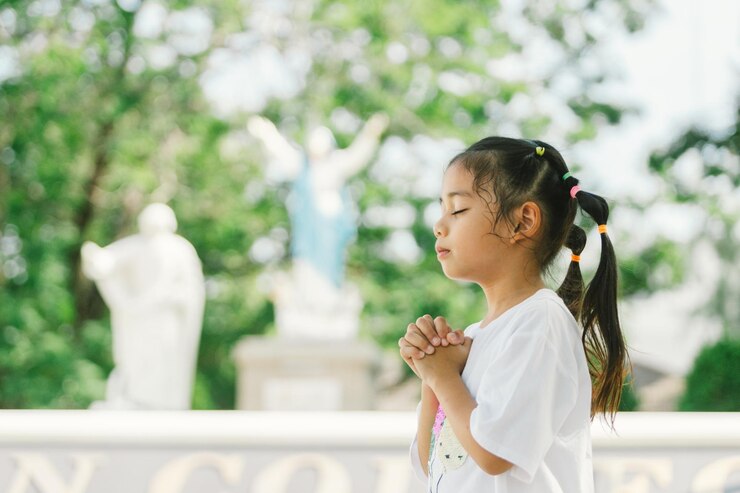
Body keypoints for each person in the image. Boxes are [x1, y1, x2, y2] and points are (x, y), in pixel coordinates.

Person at [398, 137, 629, 492]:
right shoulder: (480, 336)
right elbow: (434, 463)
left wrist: (444, 376)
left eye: (458, 210)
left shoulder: (540, 323)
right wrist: (433, 372)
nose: (439, 225)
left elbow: (493, 453)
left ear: (523, 221)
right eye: (441, 209)